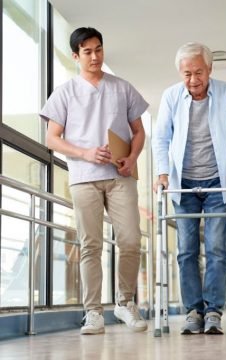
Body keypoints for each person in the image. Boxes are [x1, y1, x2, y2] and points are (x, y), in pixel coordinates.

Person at [40, 27, 149, 335]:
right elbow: (52, 138)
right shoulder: (64, 92)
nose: (95, 56)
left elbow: (139, 131)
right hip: (84, 177)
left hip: (120, 175)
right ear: (76, 56)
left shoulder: (122, 88)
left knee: (130, 239)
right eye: (87, 52)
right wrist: (84, 152)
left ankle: (125, 303)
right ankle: (93, 312)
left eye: (98, 49)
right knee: (91, 245)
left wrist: (133, 157)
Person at [153, 42, 226, 335]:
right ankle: (193, 310)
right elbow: (160, 138)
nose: (193, 80)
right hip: (182, 185)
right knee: (186, 251)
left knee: (216, 248)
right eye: (187, 74)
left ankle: (213, 310)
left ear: (209, 69)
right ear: (179, 73)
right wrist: (162, 174)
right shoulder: (171, 97)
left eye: (199, 72)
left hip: (217, 183)